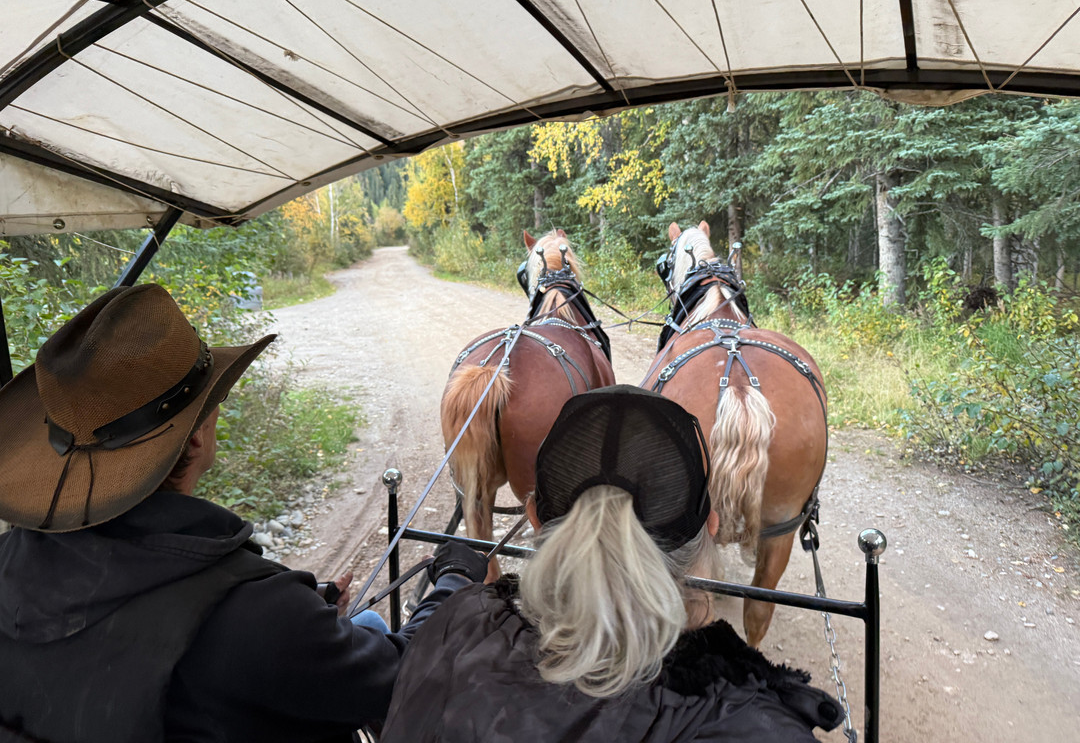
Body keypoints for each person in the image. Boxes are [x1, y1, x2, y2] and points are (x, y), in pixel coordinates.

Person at [0, 283, 488, 743]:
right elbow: (404, 678)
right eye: (215, 401)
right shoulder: (254, 616)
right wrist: (455, 581)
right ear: (194, 438)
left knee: (370, 628)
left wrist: (300, 615)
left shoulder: (8, 559)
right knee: (380, 635)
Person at [381, 385, 844, 742]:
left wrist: (456, 579)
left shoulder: (455, 628)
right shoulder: (758, 724)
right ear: (713, 523)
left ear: (536, 517)